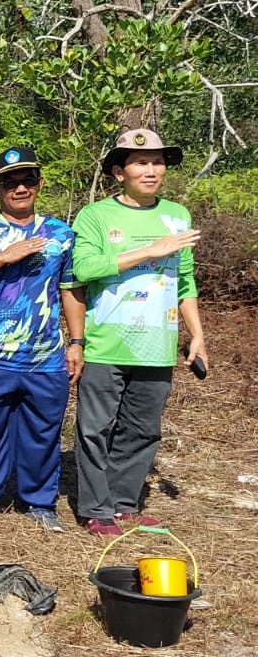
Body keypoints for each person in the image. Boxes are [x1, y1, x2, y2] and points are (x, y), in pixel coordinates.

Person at [71, 129, 206, 536]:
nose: (151, 170)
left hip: (157, 345)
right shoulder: (95, 216)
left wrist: (197, 334)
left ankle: (124, 502)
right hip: (106, 342)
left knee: (143, 429)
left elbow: (185, 281)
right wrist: (151, 250)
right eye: (141, 162)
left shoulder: (177, 215)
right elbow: (83, 269)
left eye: (158, 162)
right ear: (119, 172)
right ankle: (96, 508)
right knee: (96, 429)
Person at [0, 147, 86, 531]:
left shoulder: (61, 234)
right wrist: (2, 258)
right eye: (9, 181)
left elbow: (71, 289)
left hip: (45, 357)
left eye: (26, 180)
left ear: (39, 184)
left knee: (43, 432)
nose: (19, 188)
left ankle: (39, 502)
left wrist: (76, 342)